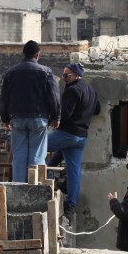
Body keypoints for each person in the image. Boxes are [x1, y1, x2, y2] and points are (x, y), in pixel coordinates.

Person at [0, 40, 61, 183]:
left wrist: (5, 118)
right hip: (39, 119)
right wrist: (56, 116)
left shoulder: (11, 72)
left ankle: (18, 188)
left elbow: (4, 98)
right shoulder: (46, 72)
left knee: (19, 156)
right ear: (37, 55)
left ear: (23, 54)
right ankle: (35, 188)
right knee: (37, 156)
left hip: (17, 119)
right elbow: (54, 97)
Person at [47, 63, 100, 213]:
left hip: (67, 134)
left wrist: (52, 117)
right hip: (81, 137)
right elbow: (97, 109)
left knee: (37, 146)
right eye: (63, 75)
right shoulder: (91, 90)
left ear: (76, 76)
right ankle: (71, 204)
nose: (63, 78)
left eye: (66, 75)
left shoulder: (72, 90)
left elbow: (65, 114)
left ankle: (46, 180)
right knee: (74, 170)